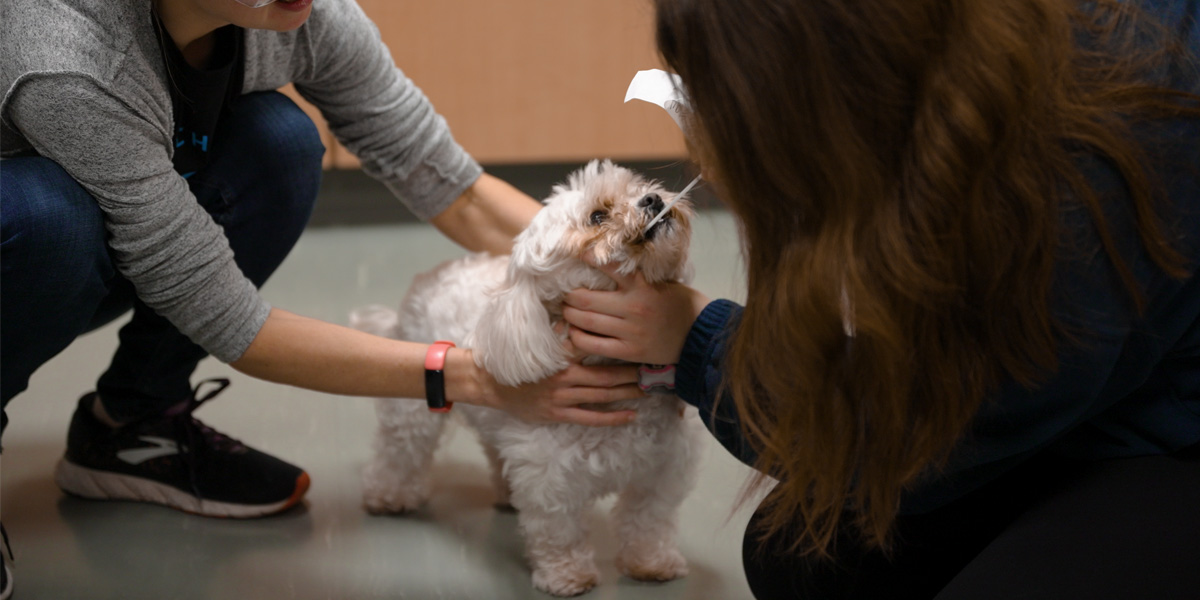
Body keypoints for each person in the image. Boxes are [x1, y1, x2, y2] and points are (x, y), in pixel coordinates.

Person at [562, 0, 1200, 598]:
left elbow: (913, 441)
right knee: (798, 557)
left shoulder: (1085, 183)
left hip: (1167, 433)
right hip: (1104, 383)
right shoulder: (971, 85)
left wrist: (698, 340)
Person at [0, 0, 642, 591]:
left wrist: (618, 269)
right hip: (27, 244)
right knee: (47, 219)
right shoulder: (69, 60)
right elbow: (232, 322)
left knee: (278, 142)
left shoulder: (299, 11)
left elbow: (455, 188)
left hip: (115, 232)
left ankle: (132, 425)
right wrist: (474, 376)